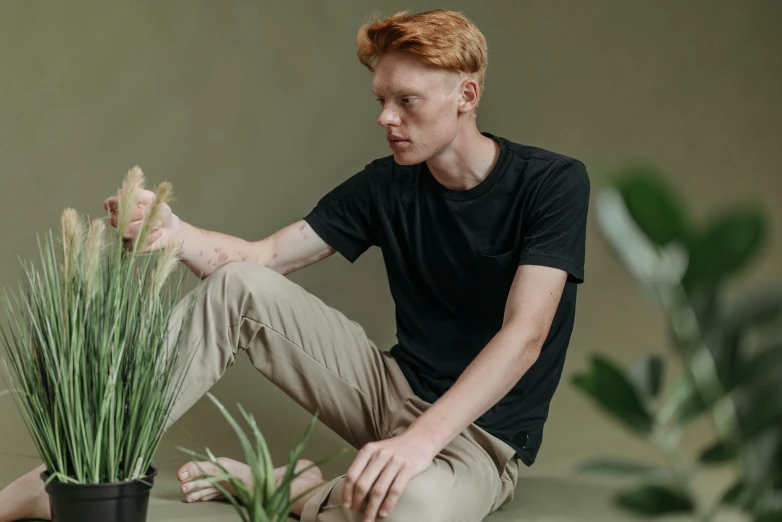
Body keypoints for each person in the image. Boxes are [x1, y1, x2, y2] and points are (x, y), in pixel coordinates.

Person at [0, 8, 589, 522]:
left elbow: (525, 334)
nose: (386, 118)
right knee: (238, 288)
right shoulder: (386, 185)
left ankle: (291, 491)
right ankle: (75, 477)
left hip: (477, 436)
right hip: (390, 393)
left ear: (466, 94)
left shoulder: (552, 183)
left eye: (405, 101)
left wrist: (420, 442)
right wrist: (177, 236)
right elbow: (262, 262)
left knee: (414, 509)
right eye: (381, 101)